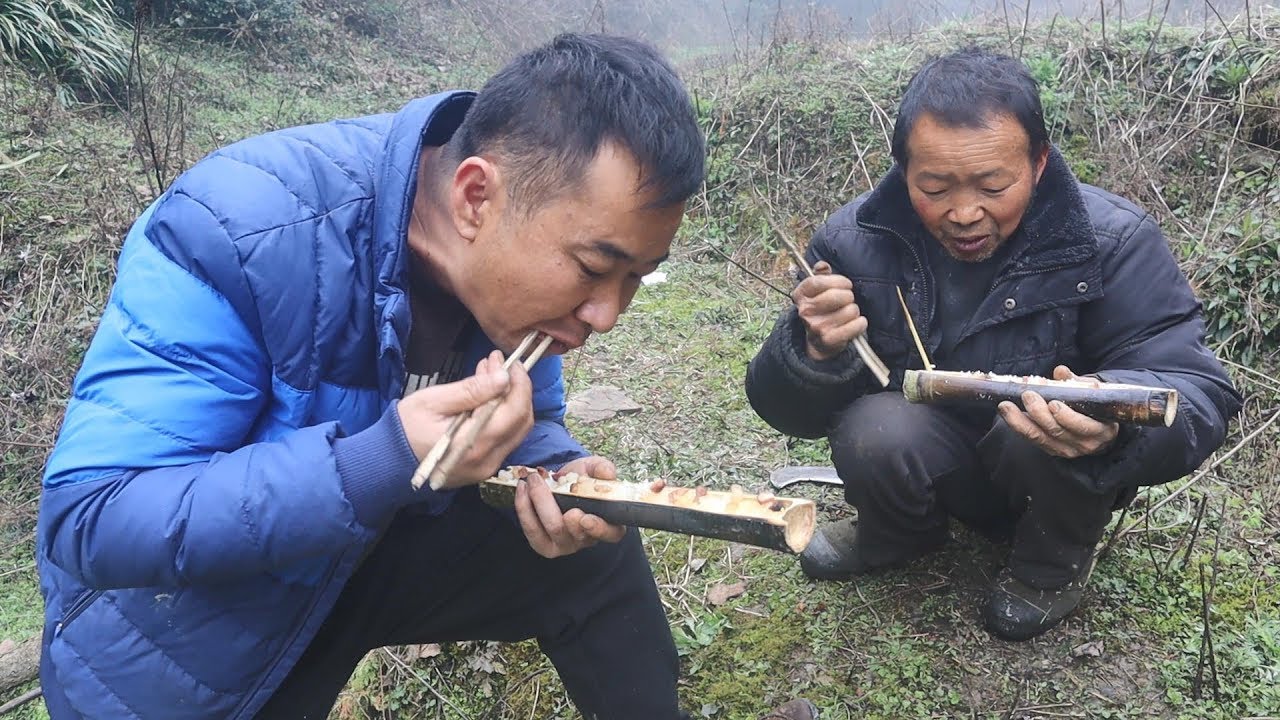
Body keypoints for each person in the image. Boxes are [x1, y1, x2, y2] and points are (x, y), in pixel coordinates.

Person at [36, 33, 816, 720]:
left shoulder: (512, 282)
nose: (608, 314)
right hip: (196, 643)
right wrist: (383, 458)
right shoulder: (241, 229)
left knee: (597, 550)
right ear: (477, 196)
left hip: (365, 560)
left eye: (639, 278)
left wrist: (550, 468)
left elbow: (530, 418)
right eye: (594, 268)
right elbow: (91, 517)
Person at [745, 48, 1242, 642]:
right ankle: (899, 532)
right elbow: (783, 406)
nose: (963, 213)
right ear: (904, 171)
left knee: (1034, 421)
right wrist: (813, 350)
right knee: (876, 424)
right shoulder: (856, 239)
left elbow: (1199, 390)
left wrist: (1115, 418)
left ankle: (1048, 568)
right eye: (933, 187)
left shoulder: (1113, 240)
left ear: (1038, 162)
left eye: (992, 185)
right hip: (932, 451)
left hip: (1054, 470)